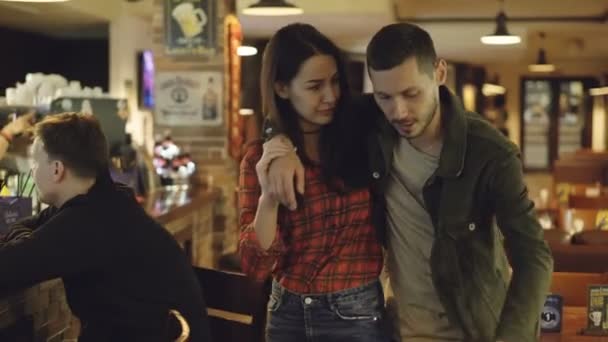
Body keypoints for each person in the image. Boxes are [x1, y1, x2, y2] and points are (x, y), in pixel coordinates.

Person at [264, 23, 553, 342]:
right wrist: (279, 145)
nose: (398, 111)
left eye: (411, 94)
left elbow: (534, 256)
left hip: (474, 330)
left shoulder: (491, 153)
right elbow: (292, 108)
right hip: (397, 328)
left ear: (439, 73)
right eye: (385, 96)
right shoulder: (371, 121)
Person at [0, 112, 211, 342]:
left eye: (35, 163)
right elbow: (23, 230)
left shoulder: (87, 221)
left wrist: (24, 242)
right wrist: (26, 239)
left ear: (57, 169)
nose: (32, 171)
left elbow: (8, 267)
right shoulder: (108, 199)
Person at [238, 23, 388, 342]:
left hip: (354, 310)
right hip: (286, 313)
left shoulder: (363, 131)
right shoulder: (259, 157)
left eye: (335, 82)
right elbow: (256, 267)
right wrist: (269, 198)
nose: (330, 96)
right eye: (315, 86)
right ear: (281, 88)